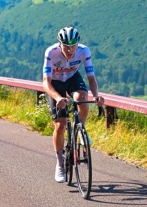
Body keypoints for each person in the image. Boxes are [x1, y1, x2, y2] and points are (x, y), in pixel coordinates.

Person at [42, 26, 104, 183]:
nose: (70, 50)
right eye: (66, 46)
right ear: (60, 44)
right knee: (60, 125)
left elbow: (91, 78)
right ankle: (60, 165)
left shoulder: (84, 51)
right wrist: (57, 98)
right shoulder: (51, 52)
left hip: (72, 78)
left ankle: (81, 129)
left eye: (73, 46)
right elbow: (46, 82)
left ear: (78, 44)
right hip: (55, 83)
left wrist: (96, 96)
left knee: (82, 98)